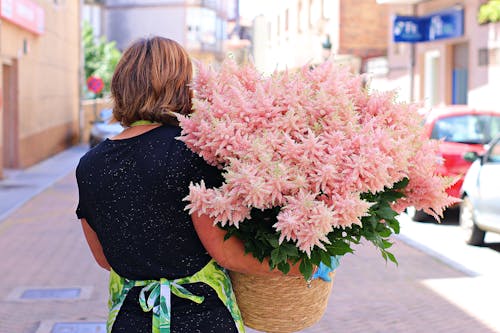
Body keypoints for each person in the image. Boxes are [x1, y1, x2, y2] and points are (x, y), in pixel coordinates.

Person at [75, 36, 301, 333]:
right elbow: (227, 254)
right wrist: (301, 266)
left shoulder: (89, 164)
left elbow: (105, 259)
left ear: (121, 87)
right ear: (182, 85)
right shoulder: (192, 151)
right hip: (201, 318)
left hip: (130, 320)